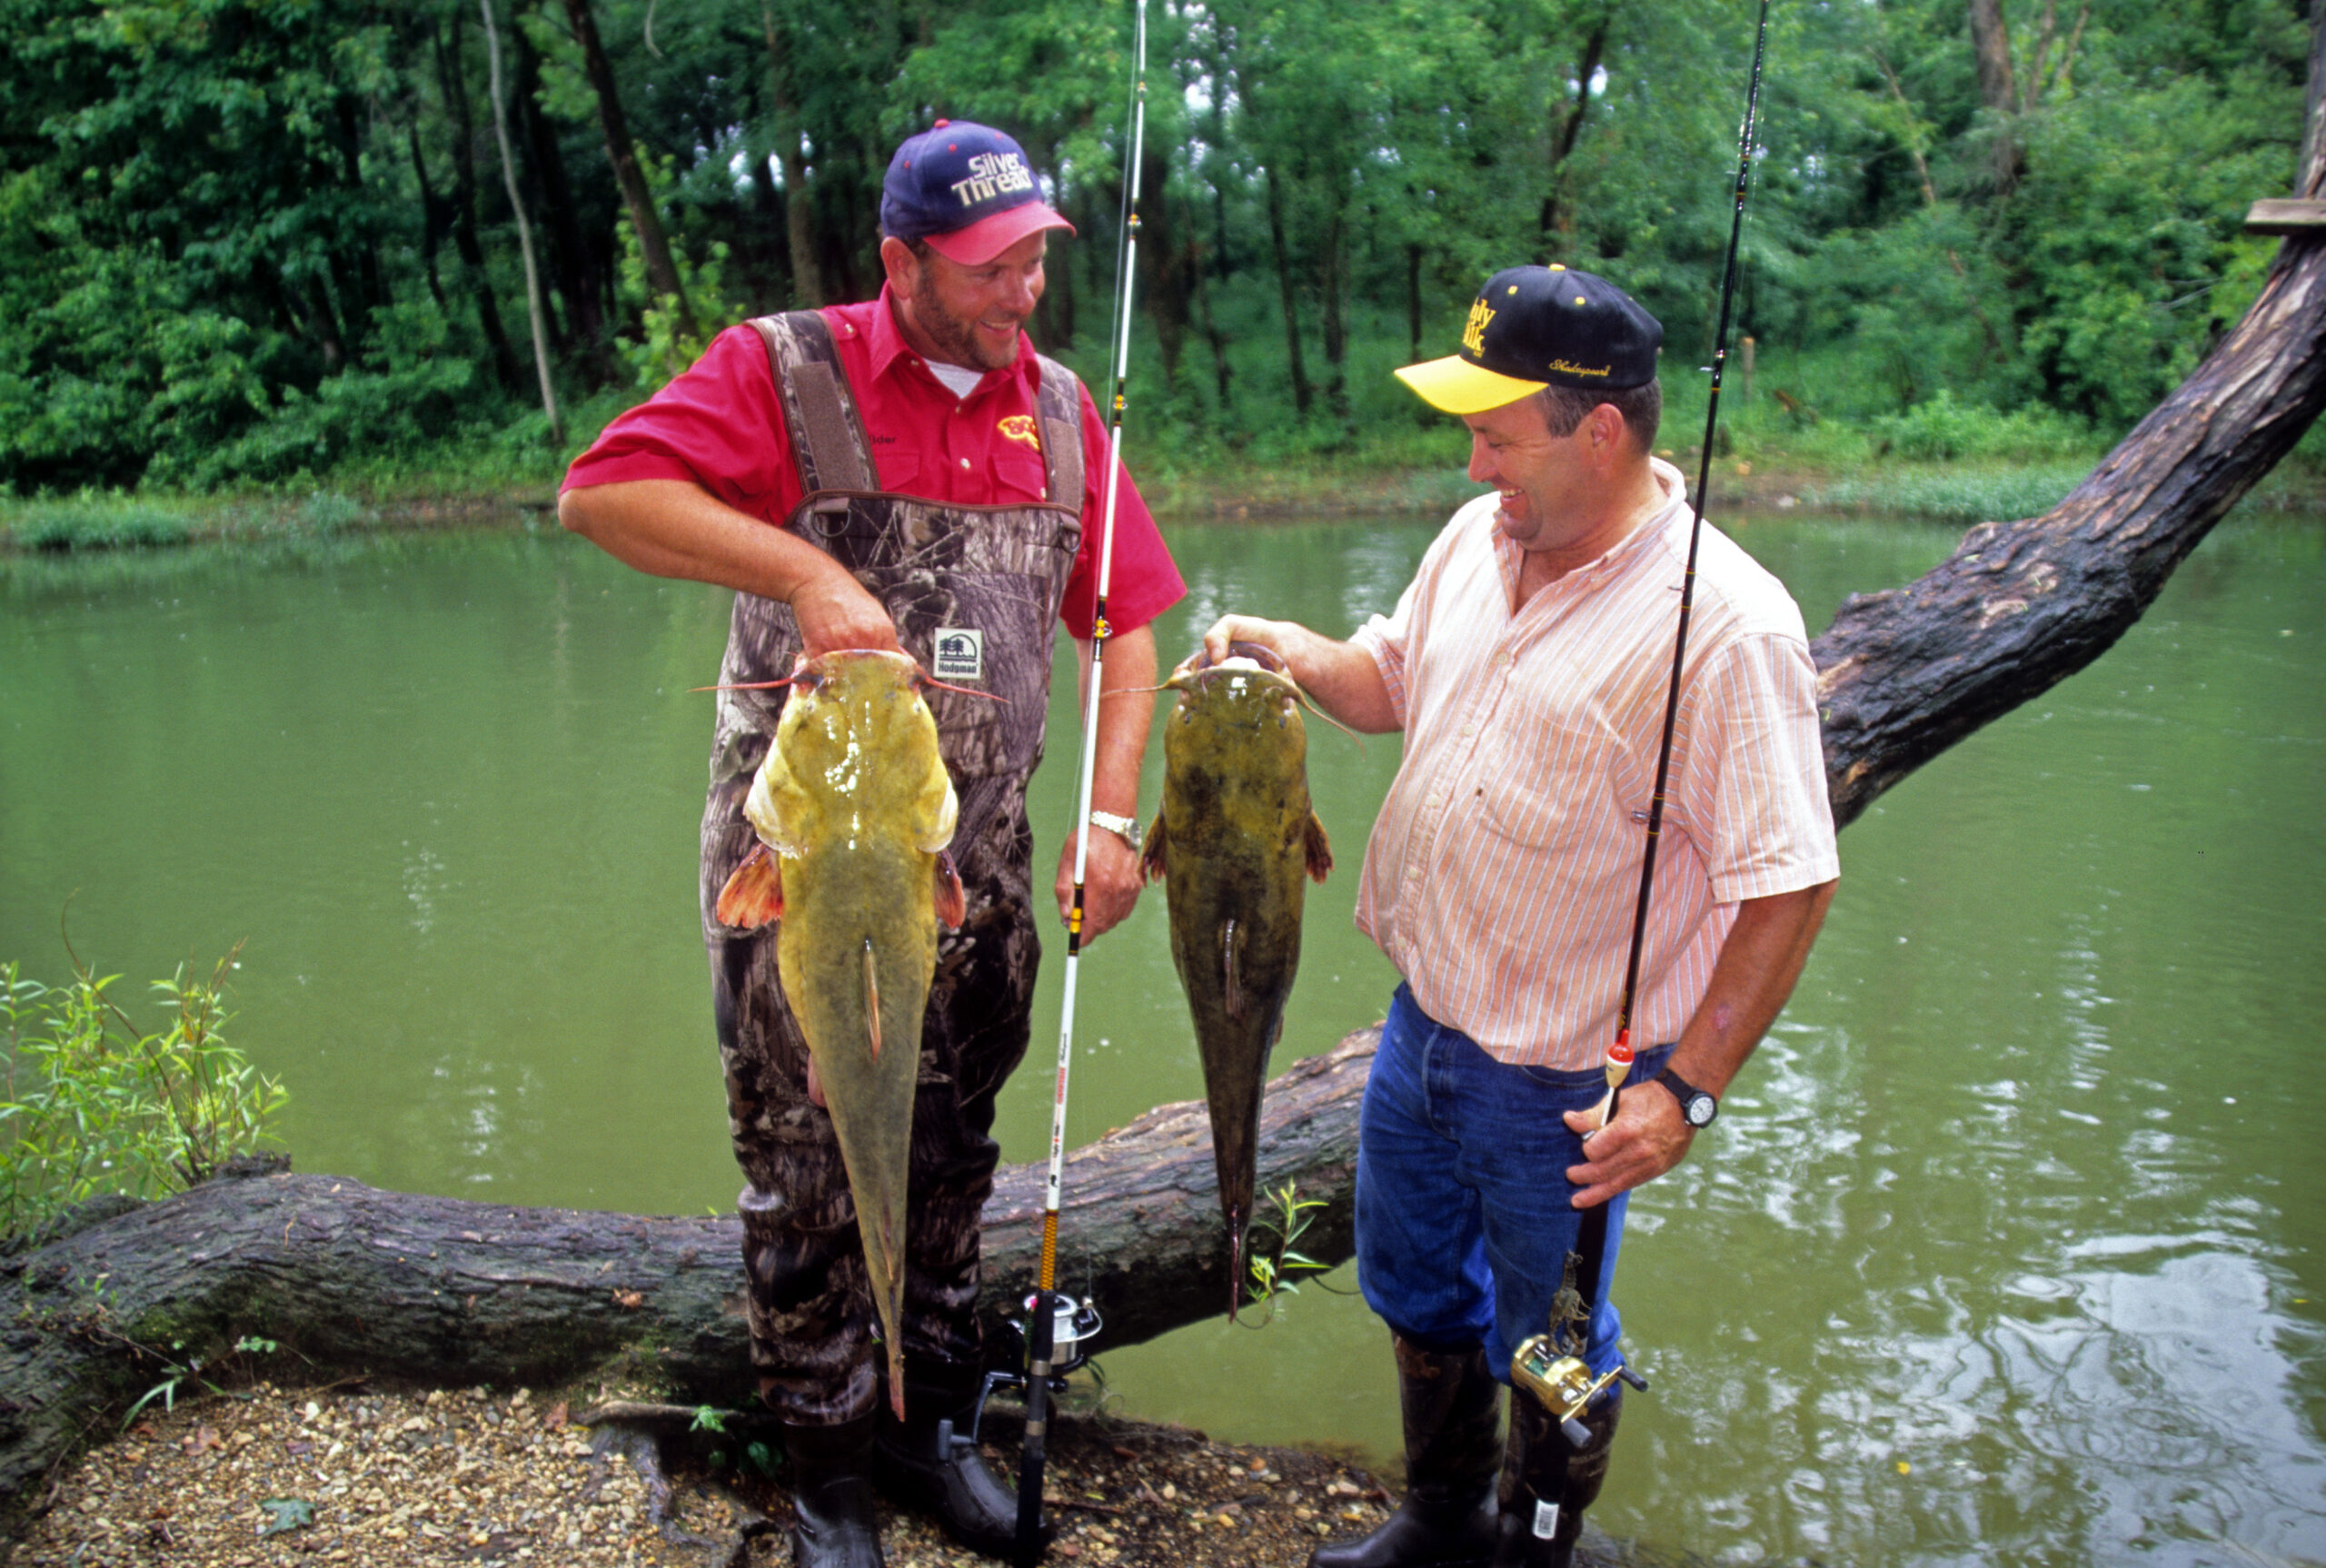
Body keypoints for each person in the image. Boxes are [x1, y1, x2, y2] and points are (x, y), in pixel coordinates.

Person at [559, 120, 1184, 1568]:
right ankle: (827, 1469)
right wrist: (804, 569)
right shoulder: (785, 369)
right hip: (801, 874)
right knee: (804, 1169)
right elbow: (605, 495)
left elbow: (1130, 629)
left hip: (986, 876)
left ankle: (925, 1422)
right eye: (986, 267)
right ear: (899, 260)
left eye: (1036, 256)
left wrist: (1106, 815)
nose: (1022, 288)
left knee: (954, 1153)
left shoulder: (1073, 417)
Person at [1201, 265, 1839, 1568]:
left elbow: (1792, 880)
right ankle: (1441, 1520)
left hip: (1564, 1083)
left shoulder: (1728, 626)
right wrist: (1287, 651)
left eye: (1496, 430)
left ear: (1598, 428)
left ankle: (1539, 1539)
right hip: (1420, 1028)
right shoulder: (1480, 539)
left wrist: (1688, 1091)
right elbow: (1388, 678)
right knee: (1419, 1292)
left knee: (1551, 1337)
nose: (1472, 455)